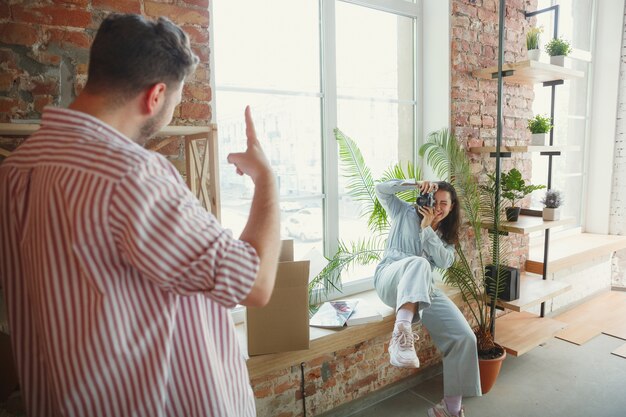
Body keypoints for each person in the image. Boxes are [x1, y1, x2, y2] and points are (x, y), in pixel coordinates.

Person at [0, 13, 281, 417]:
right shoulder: (132, 174)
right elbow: (254, 284)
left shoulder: (17, 169)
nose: (169, 115)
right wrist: (266, 180)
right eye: (175, 102)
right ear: (155, 95)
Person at [374, 179, 481, 417]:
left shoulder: (445, 236)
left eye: (444, 203)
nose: (438, 207)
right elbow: (380, 188)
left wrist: (426, 229)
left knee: (464, 337)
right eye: (435, 200)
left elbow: (444, 261)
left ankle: (449, 410)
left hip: (423, 289)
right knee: (419, 262)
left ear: (452, 207)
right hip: (390, 280)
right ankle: (401, 333)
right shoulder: (402, 211)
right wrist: (414, 185)